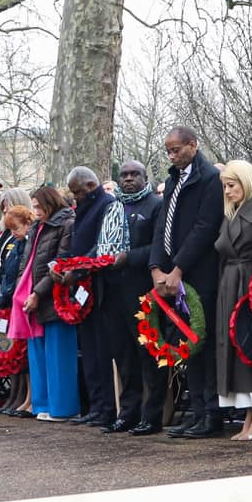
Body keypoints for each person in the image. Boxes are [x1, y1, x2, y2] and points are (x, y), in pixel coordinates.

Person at [149, 126, 224, 438]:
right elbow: (162, 226)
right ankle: (196, 411)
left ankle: (211, 414)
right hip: (169, 276)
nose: (171, 155)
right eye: (168, 150)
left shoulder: (208, 179)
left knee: (201, 344)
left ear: (193, 145)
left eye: (176, 149)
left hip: (198, 273)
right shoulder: (174, 179)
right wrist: (156, 267)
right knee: (185, 345)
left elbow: (205, 228)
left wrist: (178, 268)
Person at [213, 159, 252, 439]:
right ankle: (249, 411)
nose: (227, 191)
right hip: (230, 281)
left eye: (232, 185)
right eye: (225, 186)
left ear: (246, 182)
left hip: (251, 281)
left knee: (251, 344)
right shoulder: (230, 213)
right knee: (233, 346)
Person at [59, 165, 126, 428]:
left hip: (101, 284)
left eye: (77, 191)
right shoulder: (84, 207)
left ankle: (107, 407)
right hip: (83, 286)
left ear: (89, 186)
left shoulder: (107, 205)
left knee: (101, 349)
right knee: (88, 349)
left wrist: (79, 266)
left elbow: (102, 244)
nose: (75, 197)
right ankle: (96, 405)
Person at [110, 160, 167, 434]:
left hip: (144, 289)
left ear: (145, 177)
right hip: (115, 291)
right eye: (124, 175)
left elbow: (159, 247)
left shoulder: (155, 205)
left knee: (149, 354)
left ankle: (152, 415)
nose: (128, 179)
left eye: (134, 174)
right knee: (124, 356)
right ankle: (128, 413)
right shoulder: (115, 206)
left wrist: (129, 257)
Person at [18, 184, 78, 421]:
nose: (35, 211)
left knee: (58, 353)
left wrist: (38, 293)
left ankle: (62, 406)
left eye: (38, 206)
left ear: (50, 204)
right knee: (38, 353)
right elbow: (28, 261)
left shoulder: (66, 224)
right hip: (34, 296)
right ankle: (42, 404)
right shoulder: (37, 227)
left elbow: (60, 261)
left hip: (54, 297)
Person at [0, 198, 34, 417]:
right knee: (12, 355)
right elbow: (6, 269)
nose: (13, 233)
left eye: (16, 228)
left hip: (18, 300)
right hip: (9, 300)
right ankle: (17, 396)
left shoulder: (28, 244)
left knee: (21, 355)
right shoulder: (17, 245)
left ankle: (27, 397)